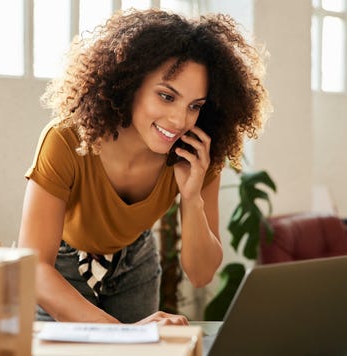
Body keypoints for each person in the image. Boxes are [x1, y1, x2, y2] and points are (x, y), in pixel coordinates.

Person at [18, 8, 271, 325]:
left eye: (195, 106)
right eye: (166, 96)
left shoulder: (197, 154)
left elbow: (202, 273)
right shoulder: (66, 140)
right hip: (60, 268)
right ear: (129, 83)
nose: (180, 120)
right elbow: (35, 266)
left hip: (135, 260)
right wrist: (122, 333)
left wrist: (192, 197)